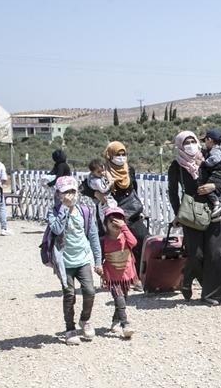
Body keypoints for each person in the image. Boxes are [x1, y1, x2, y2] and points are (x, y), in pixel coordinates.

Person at [167, 130, 221, 305]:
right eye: (186, 142)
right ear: (180, 145)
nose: (190, 145)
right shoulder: (176, 166)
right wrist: (178, 214)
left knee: (218, 252)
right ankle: (187, 278)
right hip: (192, 213)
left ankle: (216, 292)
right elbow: (173, 193)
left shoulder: (208, 157)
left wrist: (214, 186)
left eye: (193, 141)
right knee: (196, 254)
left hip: (213, 208)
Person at [47, 176, 103, 344]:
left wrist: (98, 261)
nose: (70, 195)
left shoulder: (85, 211)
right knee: (69, 294)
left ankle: (85, 320)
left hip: (83, 258)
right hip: (64, 261)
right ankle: (70, 328)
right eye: (65, 192)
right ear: (58, 194)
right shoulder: (53, 211)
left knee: (89, 290)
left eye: (72, 191)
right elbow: (56, 229)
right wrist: (64, 208)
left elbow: (93, 236)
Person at [103, 141, 149, 269]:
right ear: (110, 155)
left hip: (132, 213)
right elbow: (88, 187)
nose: (121, 157)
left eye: (123, 154)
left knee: (142, 239)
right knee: (119, 245)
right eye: (118, 154)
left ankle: (140, 273)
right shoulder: (103, 171)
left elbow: (134, 189)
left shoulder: (129, 170)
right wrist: (97, 194)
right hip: (114, 214)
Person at [99, 206, 138, 339]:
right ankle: (125, 324)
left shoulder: (126, 236)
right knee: (119, 299)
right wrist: (99, 268)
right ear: (106, 223)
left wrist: (124, 228)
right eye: (112, 220)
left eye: (119, 219)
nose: (116, 223)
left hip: (126, 274)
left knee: (123, 299)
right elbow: (99, 256)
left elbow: (134, 243)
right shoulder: (104, 240)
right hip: (112, 276)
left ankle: (115, 321)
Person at [198, 129, 221, 220]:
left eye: (205, 141)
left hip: (217, 174)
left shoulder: (215, 151)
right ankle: (218, 208)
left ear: (210, 140)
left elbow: (213, 160)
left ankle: (217, 204)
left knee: (207, 188)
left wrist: (204, 163)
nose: (204, 143)